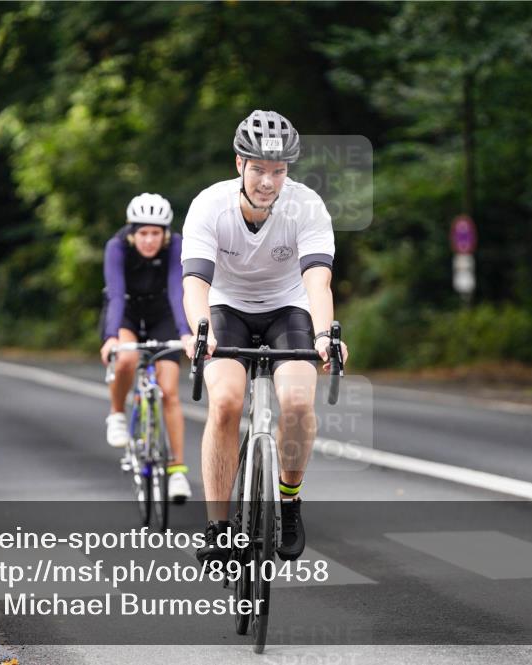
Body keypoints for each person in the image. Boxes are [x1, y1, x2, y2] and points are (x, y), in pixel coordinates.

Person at [181, 110, 349, 563]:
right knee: (226, 401)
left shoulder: (307, 205)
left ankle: (289, 500)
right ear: (239, 164)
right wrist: (201, 332)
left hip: (289, 308)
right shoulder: (209, 206)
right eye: (258, 169)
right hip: (226, 307)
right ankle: (217, 524)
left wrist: (321, 335)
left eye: (278, 171)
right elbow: (195, 282)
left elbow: (318, 280)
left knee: (296, 402)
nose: (268, 182)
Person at [100, 193, 193, 503]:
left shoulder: (175, 246)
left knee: (168, 391)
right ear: (132, 232)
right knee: (126, 358)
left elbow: (178, 288)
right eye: (143, 233)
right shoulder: (117, 247)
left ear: (165, 233)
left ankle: (177, 469)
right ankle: (116, 414)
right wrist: (112, 335)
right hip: (126, 311)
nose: (149, 240)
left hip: (161, 314)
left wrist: (185, 333)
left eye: (156, 233)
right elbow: (115, 294)